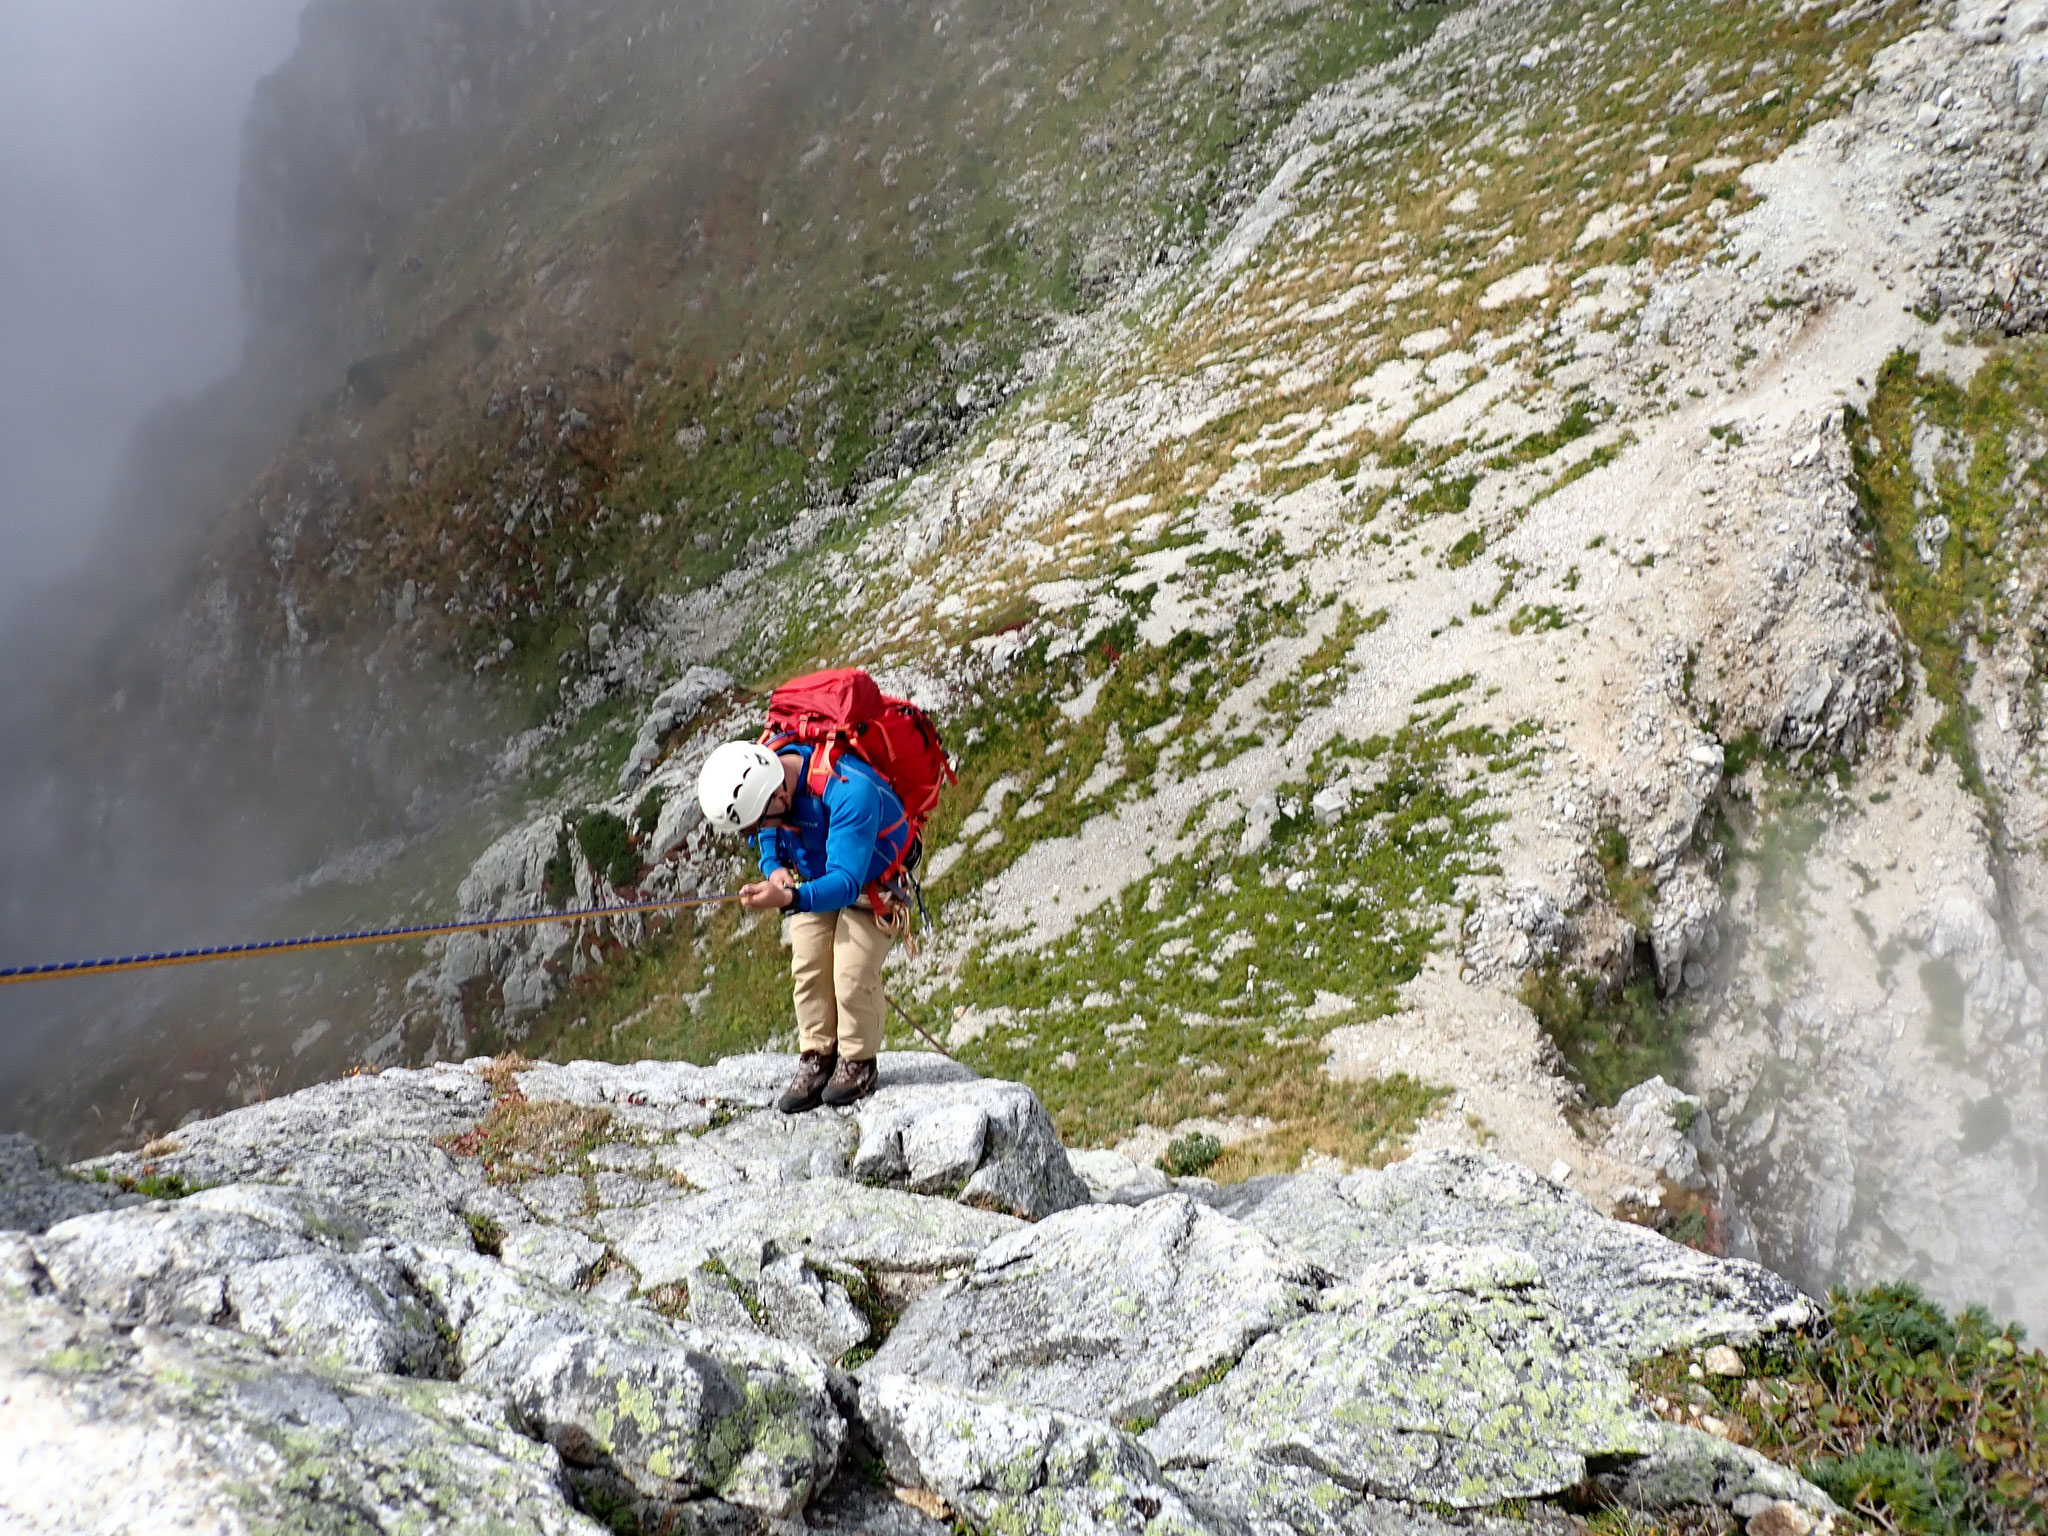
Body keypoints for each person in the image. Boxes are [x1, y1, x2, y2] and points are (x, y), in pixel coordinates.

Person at [697, 738, 911, 1113]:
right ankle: (818, 1056)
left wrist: (790, 899)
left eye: (757, 823)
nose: (754, 832)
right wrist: (773, 867)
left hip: (875, 882)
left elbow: (846, 883)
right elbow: (769, 833)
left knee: (852, 972)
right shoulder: (772, 781)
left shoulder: (849, 791)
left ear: (780, 797)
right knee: (809, 967)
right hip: (818, 874)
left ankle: (859, 1062)